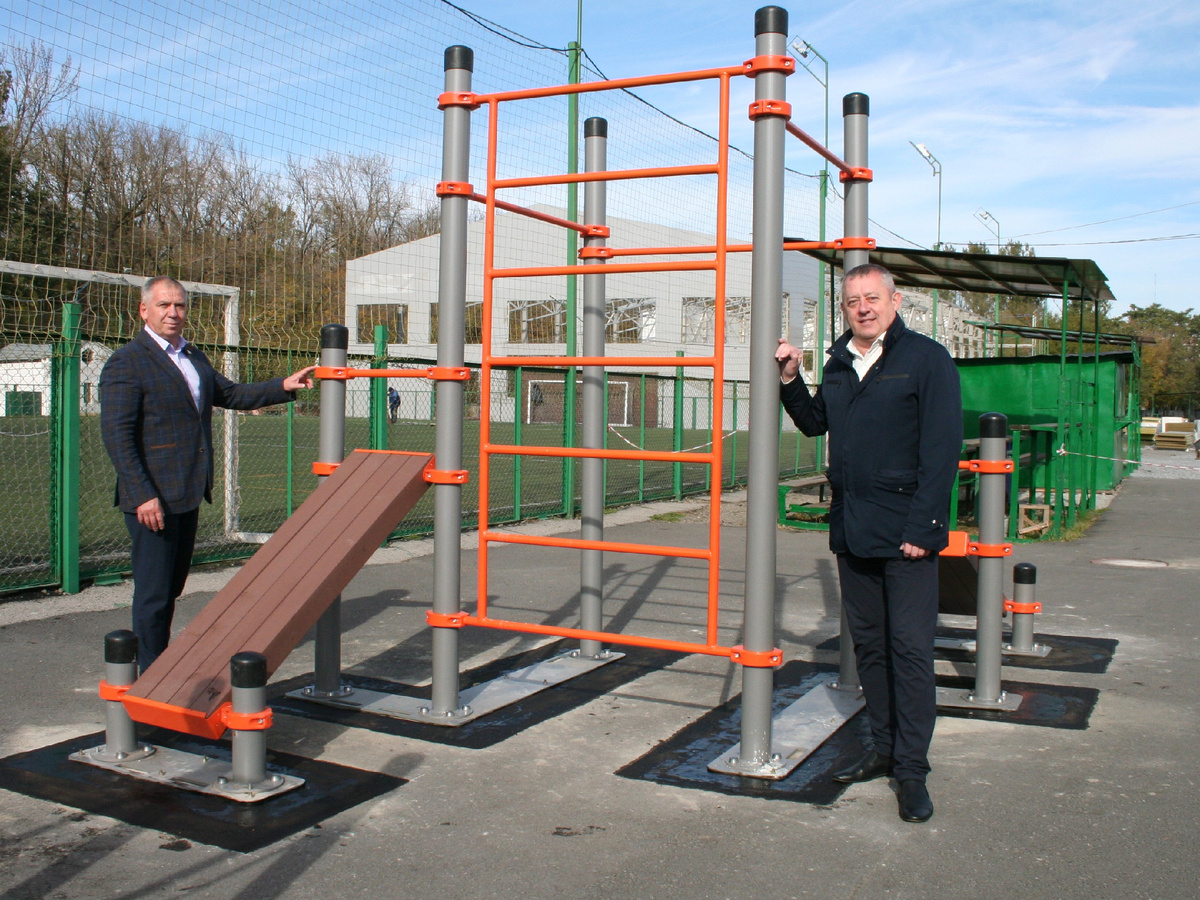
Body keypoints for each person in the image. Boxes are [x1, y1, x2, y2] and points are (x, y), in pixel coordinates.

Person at [776, 263, 961, 824]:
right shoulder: (838, 362)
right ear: (845, 308)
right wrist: (791, 378)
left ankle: (912, 770)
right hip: (854, 531)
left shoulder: (926, 359)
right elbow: (815, 424)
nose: (863, 307)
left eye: (872, 298)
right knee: (872, 649)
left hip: (906, 534)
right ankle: (883, 749)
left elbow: (941, 448)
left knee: (910, 651)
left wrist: (924, 529)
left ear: (894, 301)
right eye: (853, 300)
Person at [100, 275, 316, 672]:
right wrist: (142, 493)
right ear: (144, 310)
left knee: (172, 586)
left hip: (187, 490)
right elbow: (117, 436)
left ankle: (158, 662)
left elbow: (229, 394)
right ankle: (151, 673)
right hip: (151, 497)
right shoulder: (127, 362)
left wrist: (283, 386)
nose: (173, 313)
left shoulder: (192, 355)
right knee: (153, 593)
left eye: (180, 305)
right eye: (164, 305)